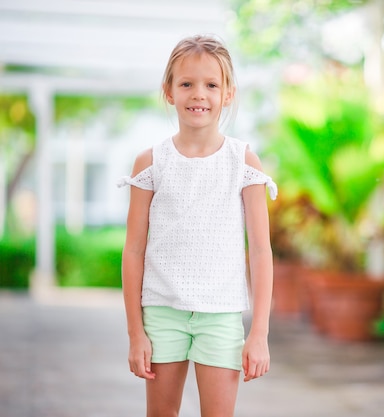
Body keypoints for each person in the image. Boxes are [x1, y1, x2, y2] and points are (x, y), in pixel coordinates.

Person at [118, 34, 277, 417]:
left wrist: (259, 334)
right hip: (161, 313)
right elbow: (134, 249)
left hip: (221, 316)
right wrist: (136, 332)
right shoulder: (150, 163)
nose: (198, 94)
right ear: (169, 92)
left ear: (228, 94)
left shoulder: (244, 163)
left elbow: (259, 251)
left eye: (211, 85)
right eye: (186, 83)